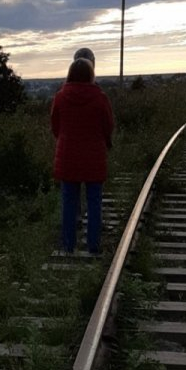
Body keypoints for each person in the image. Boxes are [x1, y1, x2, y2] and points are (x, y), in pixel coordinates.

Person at [51, 57, 114, 254]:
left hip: (68, 157)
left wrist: (65, 139)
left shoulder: (60, 97)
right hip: (93, 158)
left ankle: (68, 246)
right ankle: (93, 247)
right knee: (94, 202)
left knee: (69, 203)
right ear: (90, 75)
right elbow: (108, 125)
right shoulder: (100, 97)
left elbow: (55, 126)